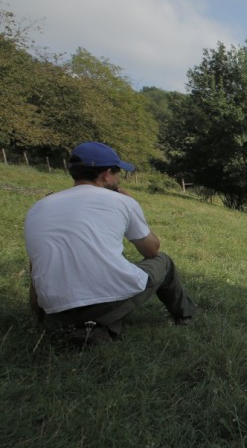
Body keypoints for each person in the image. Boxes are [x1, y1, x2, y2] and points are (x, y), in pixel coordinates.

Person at [24, 141, 197, 347]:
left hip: (56, 309)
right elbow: (151, 250)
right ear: (106, 174)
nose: (119, 178)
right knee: (163, 261)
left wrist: (38, 319)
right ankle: (186, 317)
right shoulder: (122, 201)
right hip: (105, 300)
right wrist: (132, 205)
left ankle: (87, 329)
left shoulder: (38, 207)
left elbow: (35, 270)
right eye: (118, 173)